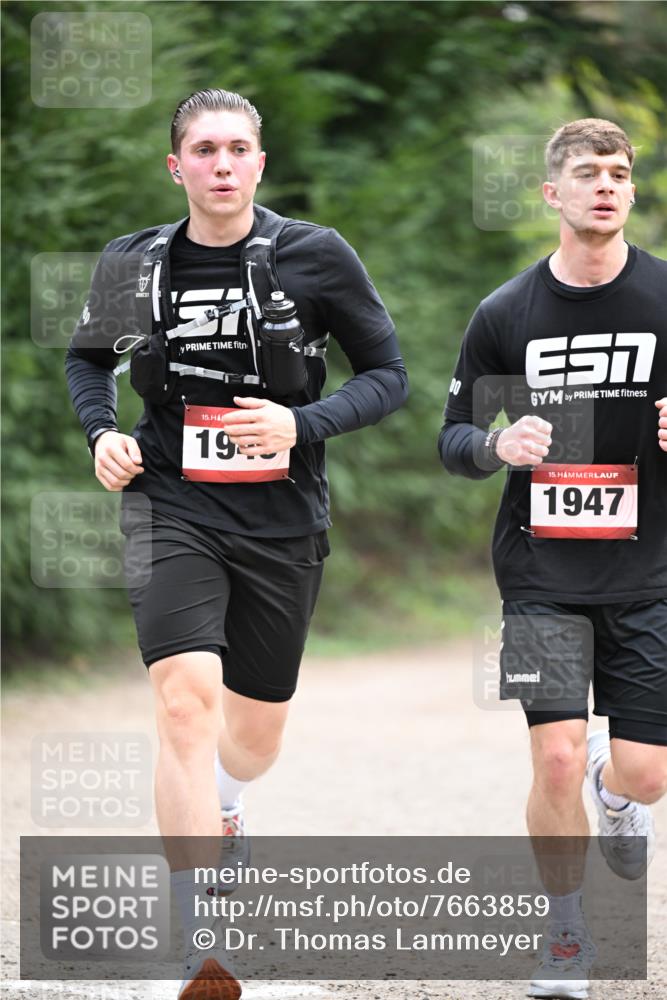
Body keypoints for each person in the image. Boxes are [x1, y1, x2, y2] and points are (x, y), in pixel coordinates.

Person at [66, 87, 407, 999]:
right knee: (183, 703)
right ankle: (196, 937)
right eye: (204, 149)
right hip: (168, 501)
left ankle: (228, 799)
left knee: (251, 739)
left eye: (238, 149)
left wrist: (304, 423)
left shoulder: (315, 255)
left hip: (281, 519)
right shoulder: (131, 261)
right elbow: (86, 359)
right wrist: (102, 432)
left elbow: (389, 374)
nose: (222, 164)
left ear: (261, 163)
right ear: (176, 166)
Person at [438, 119, 666, 1000]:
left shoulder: (661, 300)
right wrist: (498, 448)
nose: (603, 185)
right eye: (585, 172)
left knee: (641, 770)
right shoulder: (507, 314)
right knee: (555, 758)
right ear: (552, 194)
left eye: (617, 173)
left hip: (649, 571)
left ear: (630, 192)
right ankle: (564, 933)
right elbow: (453, 435)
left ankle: (620, 793)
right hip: (538, 571)